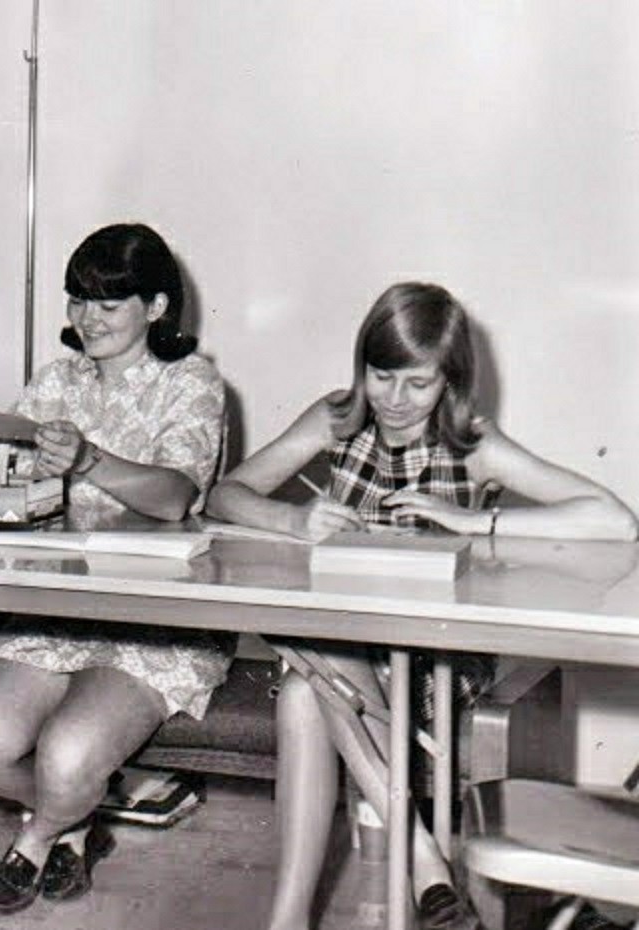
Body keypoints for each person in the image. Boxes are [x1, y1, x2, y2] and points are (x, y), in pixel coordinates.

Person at [203, 281, 639, 930]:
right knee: (308, 675)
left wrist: (474, 525)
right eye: (382, 377)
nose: (397, 401)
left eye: (419, 383)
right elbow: (224, 497)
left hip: (437, 668)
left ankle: (341, 897)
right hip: (341, 654)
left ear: (451, 383)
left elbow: (614, 520)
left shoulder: (474, 447)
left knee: (305, 676)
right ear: (362, 368)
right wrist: (291, 520)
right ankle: (416, 865)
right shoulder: (335, 420)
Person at [0, 223, 231, 917]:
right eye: (78, 299)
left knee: (68, 760)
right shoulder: (56, 379)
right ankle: (78, 822)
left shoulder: (191, 383)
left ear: (157, 308)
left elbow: (174, 498)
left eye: (109, 302)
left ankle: (40, 839)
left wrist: (85, 460)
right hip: (58, 606)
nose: (86, 317)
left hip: (157, 618)